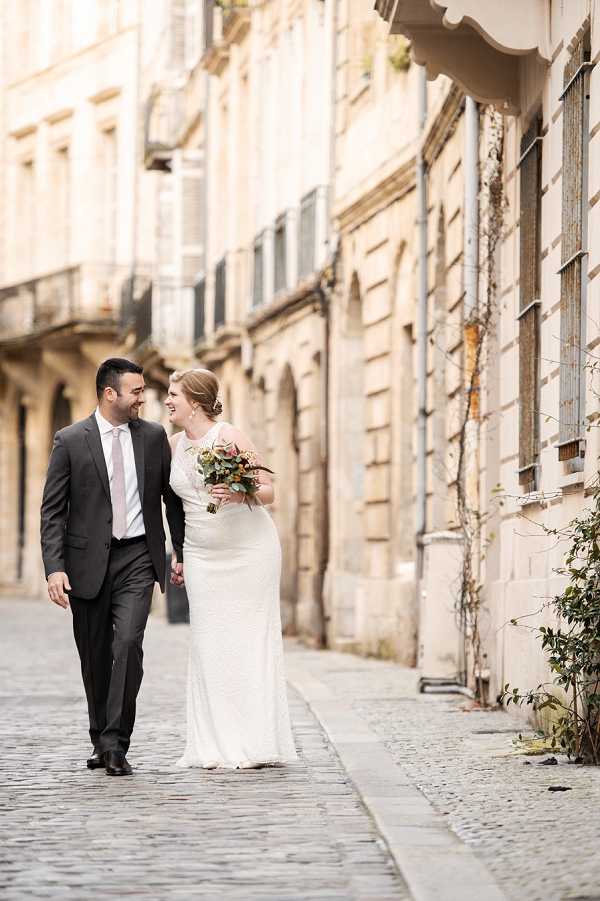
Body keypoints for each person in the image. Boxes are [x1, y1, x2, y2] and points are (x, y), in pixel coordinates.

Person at [40, 358, 185, 777]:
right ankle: (100, 737)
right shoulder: (70, 440)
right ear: (110, 394)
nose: (143, 397)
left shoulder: (154, 437)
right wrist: (54, 568)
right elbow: (53, 510)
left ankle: (116, 743)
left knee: (128, 644)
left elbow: (169, 500)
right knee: (95, 656)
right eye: (136, 391)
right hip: (86, 563)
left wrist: (180, 551)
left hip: (139, 556)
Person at [166, 368, 297, 769]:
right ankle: (213, 744)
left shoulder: (229, 436)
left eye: (174, 394)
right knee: (209, 644)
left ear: (196, 402)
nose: (168, 400)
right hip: (203, 555)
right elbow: (173, 506)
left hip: (249, 552)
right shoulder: (171, 445)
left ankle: (254, 742)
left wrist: (241, 493)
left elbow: (269, 490)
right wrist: (179, 554)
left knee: (248, 642)